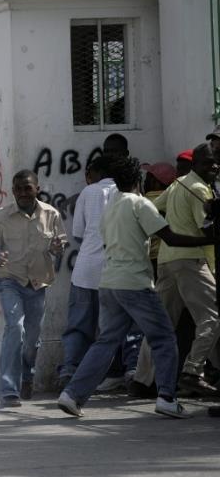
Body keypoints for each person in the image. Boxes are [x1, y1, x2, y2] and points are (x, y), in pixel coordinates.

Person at [57, 156, 214, 419]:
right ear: (137, 180)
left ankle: (72, 395)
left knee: (106, 341)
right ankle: (166, 397)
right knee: (164, 338)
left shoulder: (111, 207)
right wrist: (208, 238)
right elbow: (170, 239)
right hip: (135, 283)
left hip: (109, 282)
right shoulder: (140, 204)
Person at [131, 144, 220, 397]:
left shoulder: (178, 184)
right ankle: (192, 371)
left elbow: (153, 209)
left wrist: (167, 234)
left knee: (162, 323)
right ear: (196, 165)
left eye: (215, 162)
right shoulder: (200, 189)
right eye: (208, 162)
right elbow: (207, 230)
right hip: (191, 260)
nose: (213, 167)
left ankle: (141, 380)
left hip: (167, 261)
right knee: (212, 318)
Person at [0, 169, 67, 407]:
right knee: (15, 327)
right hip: (9, 278)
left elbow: (58, 245)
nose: (22, 193)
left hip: (38, 282)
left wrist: (56, 248)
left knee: (32, 339)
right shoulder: (1, 217)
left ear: (37, 189)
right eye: (18, 189)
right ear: (12, 191)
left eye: (27, 188)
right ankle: (9, 390)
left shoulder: (51, 214)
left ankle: (27, 374)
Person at [57, 157, 116, 389]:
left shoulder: (88, 192)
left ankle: (70, 370)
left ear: (95, 172)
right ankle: (121, 371)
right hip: (115, 270)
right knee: (115, 327)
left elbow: (78, 232)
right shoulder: (127, 194)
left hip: (85, 269)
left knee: (79, 325)